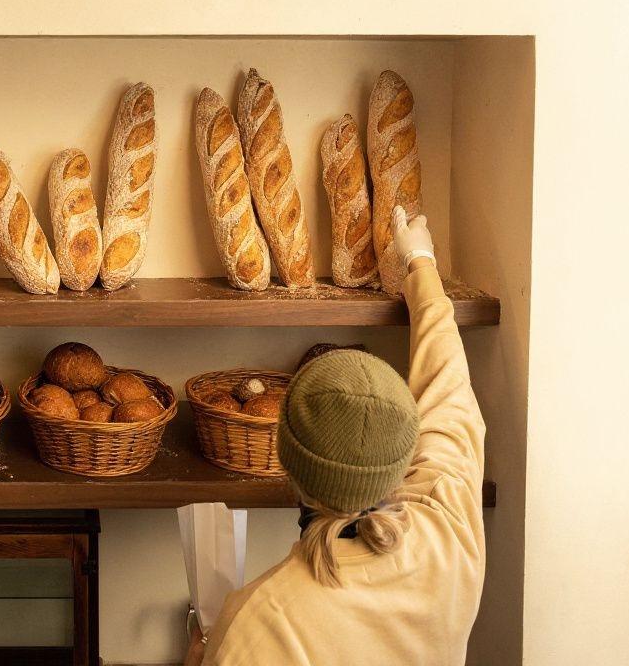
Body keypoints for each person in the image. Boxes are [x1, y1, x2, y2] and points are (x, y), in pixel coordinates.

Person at [185, 205, 486, 666]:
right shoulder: (448, 536)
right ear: (402, 458)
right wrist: (420, 261)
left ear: (287, 462)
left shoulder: (259, 621)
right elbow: (449, 392)